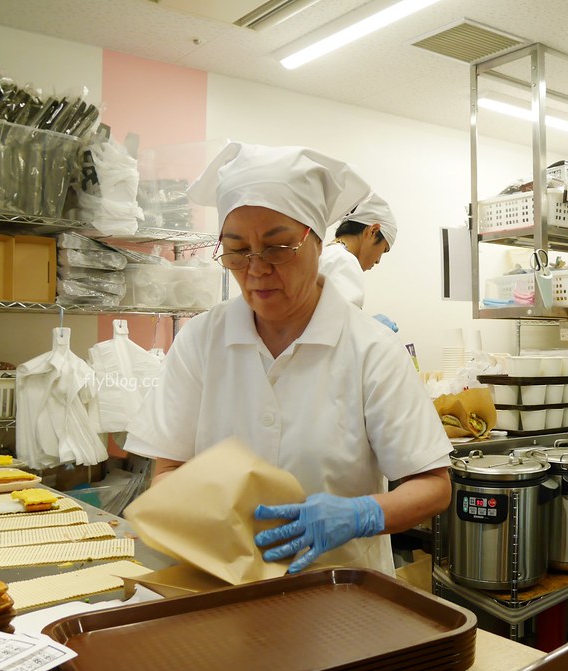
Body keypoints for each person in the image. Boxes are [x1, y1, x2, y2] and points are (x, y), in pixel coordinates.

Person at [124, 143, 452, 575]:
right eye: (237, 250)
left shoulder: (371, 349)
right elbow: (167, 469)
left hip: (342, 598)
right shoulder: (201, 341)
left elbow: (432, 486)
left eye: (278, 247)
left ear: (318, 243)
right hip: (224, 587)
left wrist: (362, 514)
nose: (256, 268)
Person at [320, 193, 399, 331]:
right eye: (383, 250)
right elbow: (340, 335)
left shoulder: (328, 255)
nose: (378, 260)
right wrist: (374, 329)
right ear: (373, 231)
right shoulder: (344, 261)